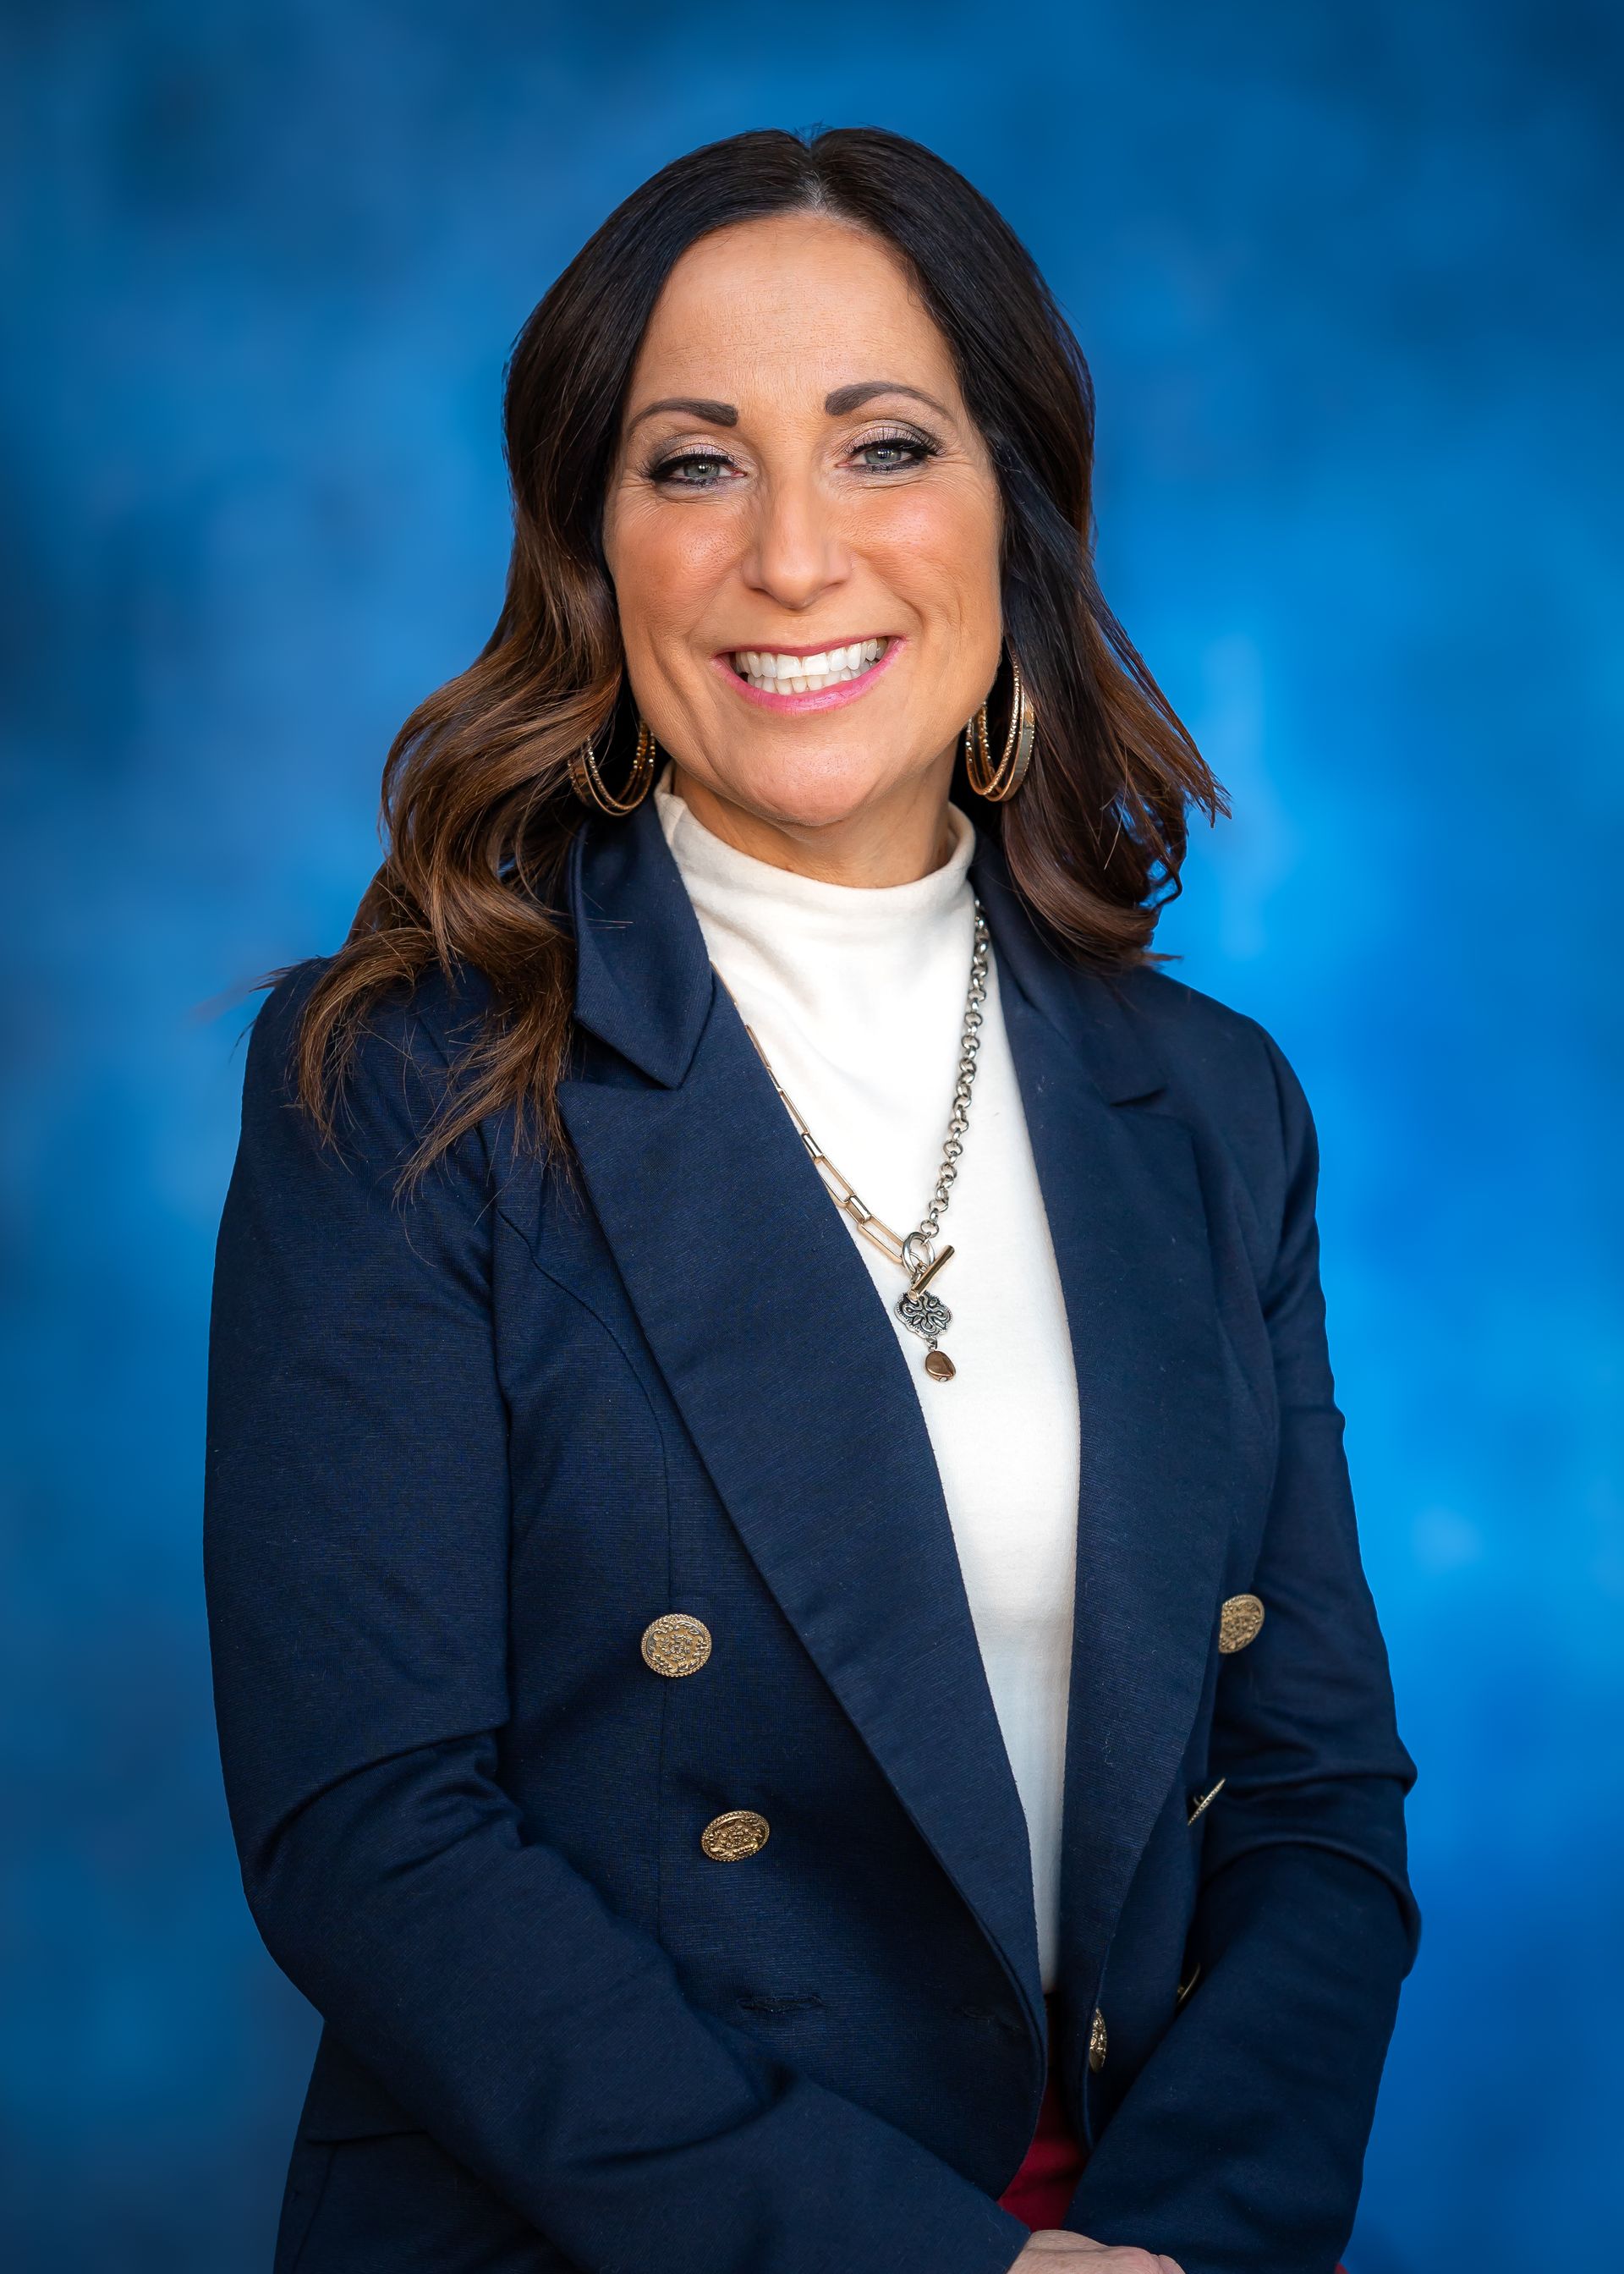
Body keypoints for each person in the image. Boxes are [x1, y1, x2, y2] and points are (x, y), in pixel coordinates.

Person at [203, 125, 1418, 2274]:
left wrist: (1179, 2250)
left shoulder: (1213, 1108)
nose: (790, 556)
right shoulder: (403, 1077)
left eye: (880, 447)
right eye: (694, 464)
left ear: (1013, 515)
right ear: (594, 544)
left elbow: (1316, 1804)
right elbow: (374, 1838)